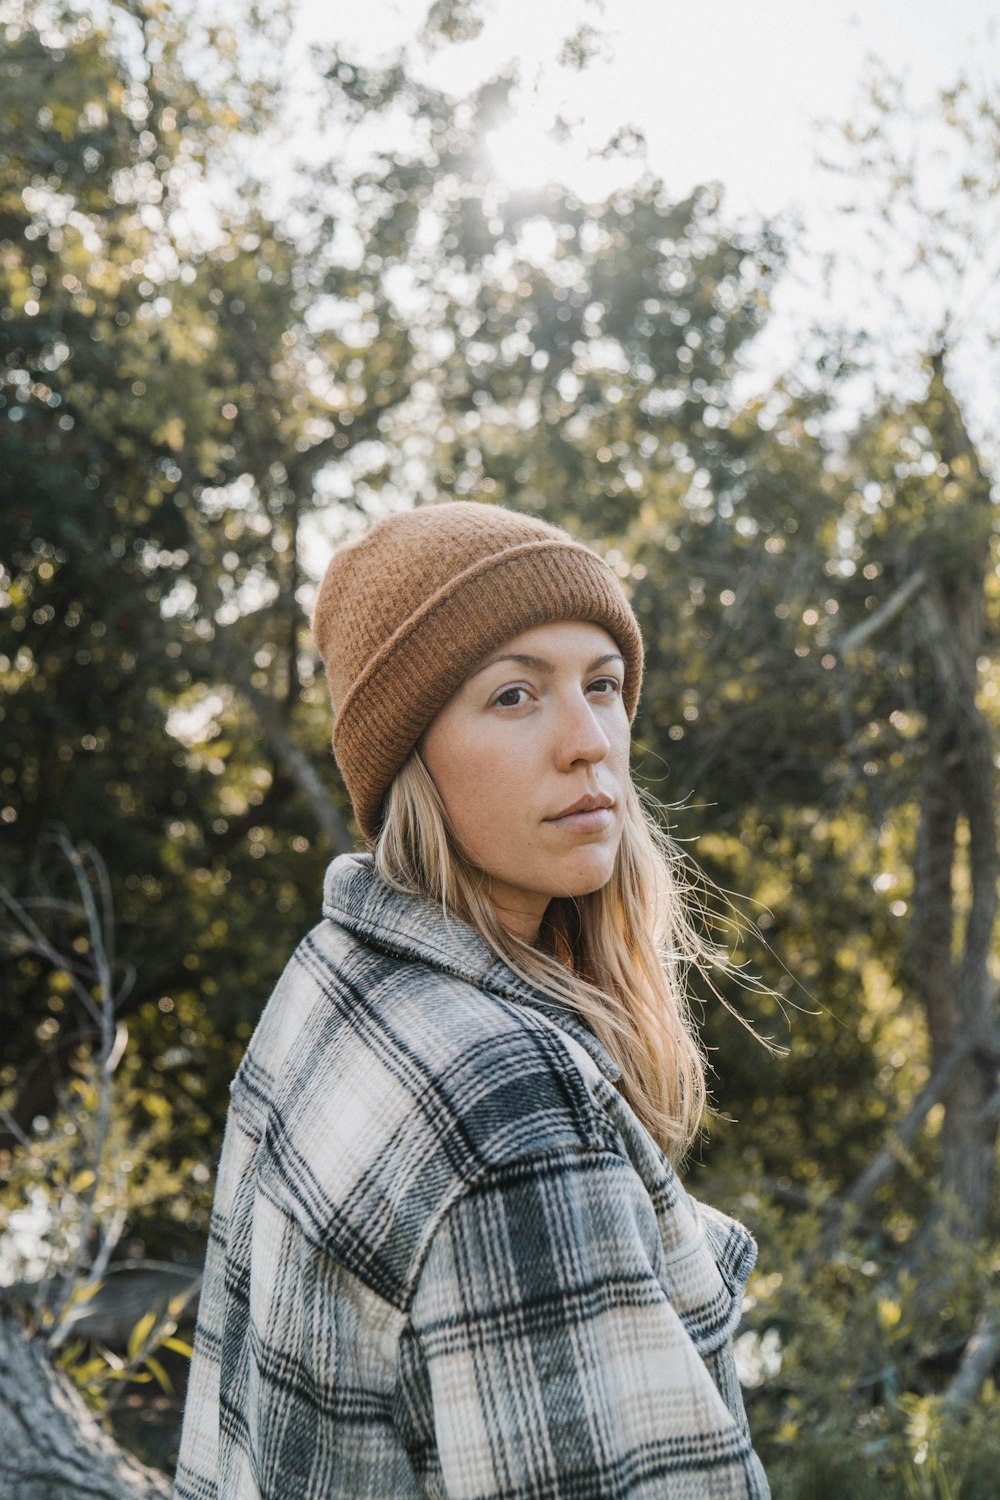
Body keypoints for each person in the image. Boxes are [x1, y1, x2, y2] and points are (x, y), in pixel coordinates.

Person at [174, 502, 771, 1500]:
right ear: (409, 753)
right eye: (512, 695)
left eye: (603, 685)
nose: (589, 744)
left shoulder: (333, 978)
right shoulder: (512, 1106)